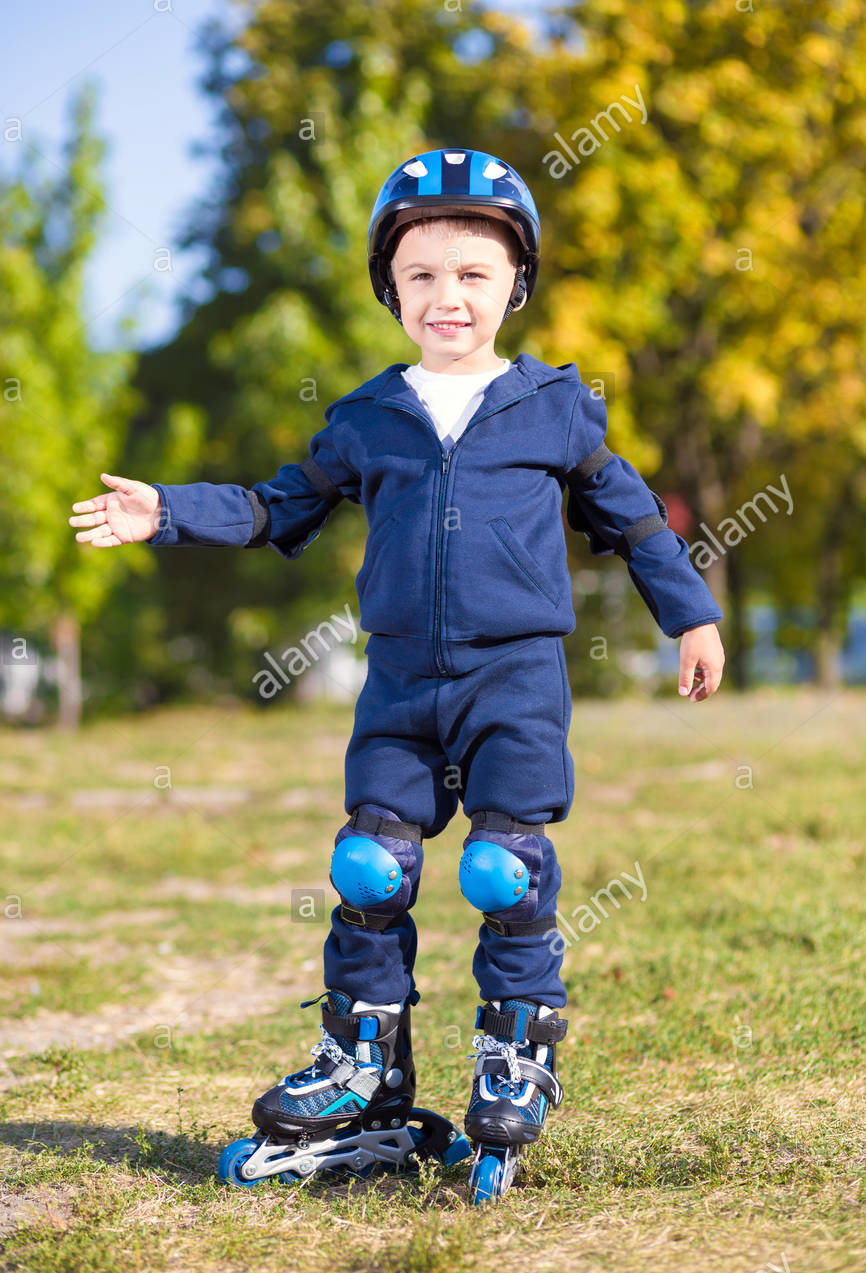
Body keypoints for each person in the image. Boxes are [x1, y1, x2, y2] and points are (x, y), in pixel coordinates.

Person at [68, 148, 725, 1203]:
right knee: (369, 870)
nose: (446, 296)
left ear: (515, 284)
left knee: (503, 871)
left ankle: (517, 1057)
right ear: (390, 290)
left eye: (472, 273)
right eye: (420, 275)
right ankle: (363, 1069)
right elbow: (277, 505)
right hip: (399, 684)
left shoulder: (553, 407)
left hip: (512, 682)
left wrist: (688, 616)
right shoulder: (369, 418)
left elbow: (634, 520)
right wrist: (171, 509)